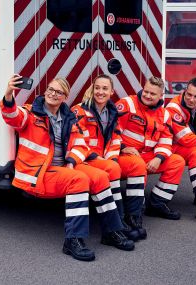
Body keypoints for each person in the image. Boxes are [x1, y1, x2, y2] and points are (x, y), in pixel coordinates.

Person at [0, 75, 134, 262]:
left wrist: (71, 162)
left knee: (101, 176)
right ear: (45, 91)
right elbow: (12, 116)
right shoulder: (31, 113)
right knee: (79, 180)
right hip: (38, 173)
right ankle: (73, 240)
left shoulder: (69, 118)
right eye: (50, 90)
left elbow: (81, 145)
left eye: (59, 92)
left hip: (63, 167)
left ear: (65, 97)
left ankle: (111, 232)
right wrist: (8, 94)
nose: (53, 94)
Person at [71, 74, 147, 241]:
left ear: (112, 91)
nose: (100, 92)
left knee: (137, 164)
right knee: (112, 169)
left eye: (105, 88)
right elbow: (75, 140)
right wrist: (104, 161)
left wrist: (112, 158)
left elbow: (116, 138)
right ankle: (117, 223)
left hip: (105, 158)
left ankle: (133, 218)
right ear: (92, 89)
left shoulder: (111, 111)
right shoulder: (80, 110)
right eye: (97, 88)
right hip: (85, 158)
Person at [116, 76, 185, 220]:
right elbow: (111, 131)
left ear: (161, 95)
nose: (147, 95)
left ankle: (157, 204)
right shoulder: (127, 104)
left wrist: (159, 159)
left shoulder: (165, 114)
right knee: (139, 165)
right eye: (146, 91)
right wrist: (122, 147)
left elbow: (166, 141)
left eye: (152, 94)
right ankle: (134, 212)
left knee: (177, 161)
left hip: (147, 156)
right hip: (123, 157)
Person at [166, 77, 196, 227]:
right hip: (171, 148)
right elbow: (184, 138)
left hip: (187, 146)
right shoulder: (174, 107)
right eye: (189, 94)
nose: (191, 99)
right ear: (185, 91)